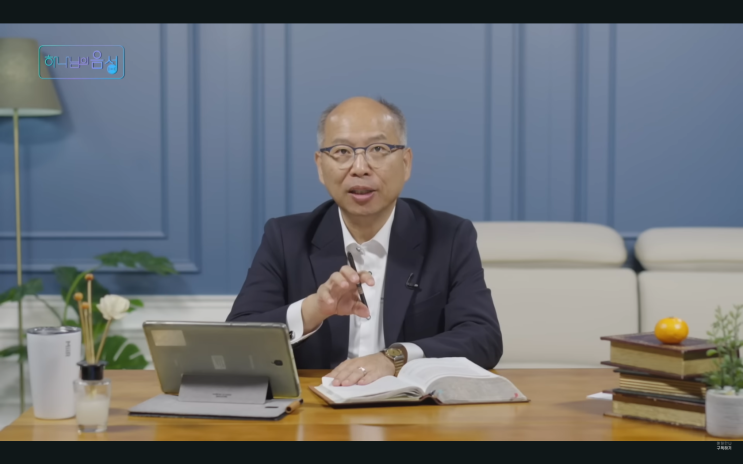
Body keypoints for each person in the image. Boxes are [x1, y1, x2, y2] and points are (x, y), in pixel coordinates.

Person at [227, 96, 502, 386]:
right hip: (316, 406)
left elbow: (483, 337)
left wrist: (395, 357)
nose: (360, 167)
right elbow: (236, 341)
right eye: (342, 151)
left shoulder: (449, 236)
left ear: (406, 162)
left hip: (412, 408)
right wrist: (315, 308)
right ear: (320, 166)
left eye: (378, 149)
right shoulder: (286, 238)